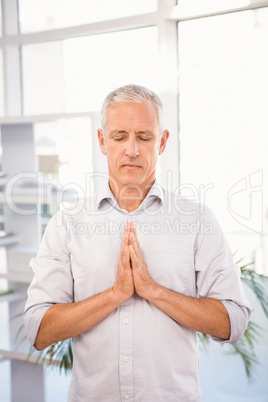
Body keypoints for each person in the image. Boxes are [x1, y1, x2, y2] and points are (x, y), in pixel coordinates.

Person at [24, 84, 251, 402]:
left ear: (163, 142)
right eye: (119, 137)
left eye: (144, 137)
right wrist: (115, 295)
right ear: (102, 141)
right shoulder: (68, 222)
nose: (132, 149)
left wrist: (153, 290)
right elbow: (38, 330)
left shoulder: (197, 220)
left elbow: (233, 322)